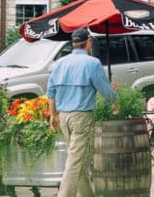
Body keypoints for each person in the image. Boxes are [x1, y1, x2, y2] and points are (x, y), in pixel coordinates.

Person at [47, 28, 117, 197]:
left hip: (63, 116)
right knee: (75, 159)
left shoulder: (60, 63)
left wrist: (53, 115)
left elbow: (51, 91)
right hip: (81, 117)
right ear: (88, 43)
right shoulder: (92, 63)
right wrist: (115, 103)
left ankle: (87, 194)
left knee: (80, 158)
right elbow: (105, 89)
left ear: (73, 43)